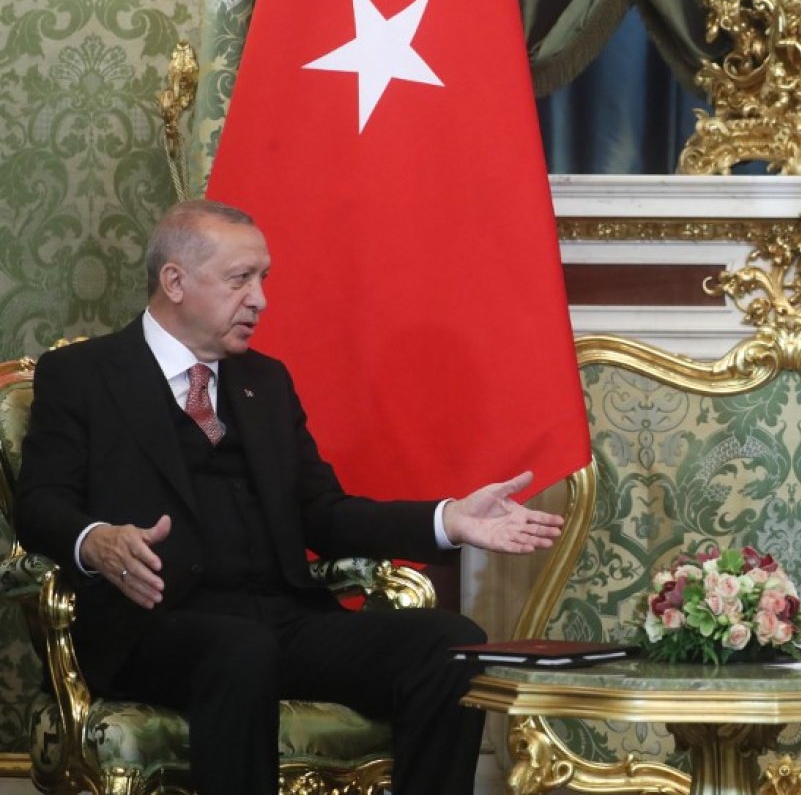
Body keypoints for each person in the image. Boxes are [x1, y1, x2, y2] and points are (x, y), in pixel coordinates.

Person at [17, 199, 567, 795]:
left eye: (263, 278)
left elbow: (322, 514)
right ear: (174, 281)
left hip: (280, 617)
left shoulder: (266, 380)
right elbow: (40, 504)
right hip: (155, 624)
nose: (260, 299)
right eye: (240, 279)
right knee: (239, 649)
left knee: (449, 643)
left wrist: (449, 520)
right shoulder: (83, 374)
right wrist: (95, 541)